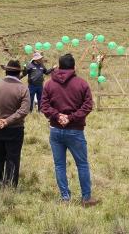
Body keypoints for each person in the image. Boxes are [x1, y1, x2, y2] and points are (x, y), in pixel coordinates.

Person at [40, 53, 98, 207]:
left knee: (59, 165)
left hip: (55, 130)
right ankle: (86, 198)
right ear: (74, 67)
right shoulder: (82, 84)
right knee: (82, 164)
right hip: (75, 130)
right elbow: (88, 105)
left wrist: (57, 116)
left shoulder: (49, 84)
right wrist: (71, 118)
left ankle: (65, 197)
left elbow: (44, 106)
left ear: (59, 66)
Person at [0, 60, 30, 188]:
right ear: (19, 72)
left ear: (6, 71)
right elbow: (24, 110)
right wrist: (8, 121)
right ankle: (9, 187)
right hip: (15, 129)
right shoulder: (23, 88)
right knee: (13, 159)